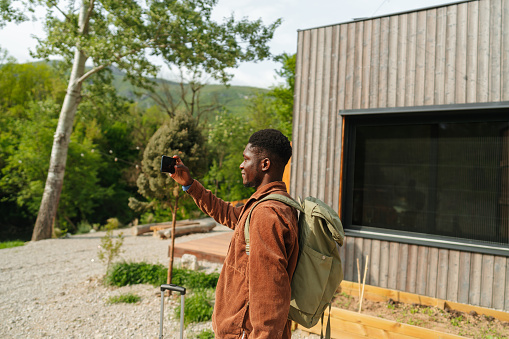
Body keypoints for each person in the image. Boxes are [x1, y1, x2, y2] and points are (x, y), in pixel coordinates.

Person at [170, 129, 299, 339]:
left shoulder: (266, 214)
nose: (241, 165)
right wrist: (189, 185)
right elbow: (230, 215)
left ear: (265, 164)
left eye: (246, 159)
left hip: (243, 333)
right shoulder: (270, 203)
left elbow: (270, 291)